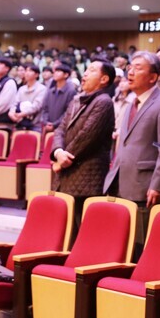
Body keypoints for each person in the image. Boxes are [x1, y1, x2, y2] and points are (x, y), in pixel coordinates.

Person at [103, 52, 160, 250]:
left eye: (138, 68)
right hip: (121, 180)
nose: (131, 71)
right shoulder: (131, 104)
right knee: (122, 244)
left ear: (153, 77)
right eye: (130, 67)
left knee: (143, 245)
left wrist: (158, 184)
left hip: (145, 186)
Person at [51, 60, 116, 225]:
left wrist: (64, 159)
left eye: (92, 70)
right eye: (86, 69)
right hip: (67, 172)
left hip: (87, 176)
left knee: (82, 228)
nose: (85, 73)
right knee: (64, 229)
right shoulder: (76, 100)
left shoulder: (104, 102)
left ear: (104, 80)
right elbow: (60, 130)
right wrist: (58, 152)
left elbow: (86, 136)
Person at [40, 62, 76, 134]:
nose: (55, 73)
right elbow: (45, 109)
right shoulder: (50, 91)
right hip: (47, 126)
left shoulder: (71, 91)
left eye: (58, 71)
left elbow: (68, 112)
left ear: (66, 75)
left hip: (62, 129)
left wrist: (54, 124)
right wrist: (46, 122)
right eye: (55, 71)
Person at [9, 64, 46, 130]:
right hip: (19, 122)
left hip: (35, 124)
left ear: (36, 75)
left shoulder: (42, 89)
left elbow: (36, 106)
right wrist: (11, 113)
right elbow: (14, 103)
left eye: (30, 71)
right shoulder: (21, 89)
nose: (27, 73)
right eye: (26, 70)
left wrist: (21, 114)